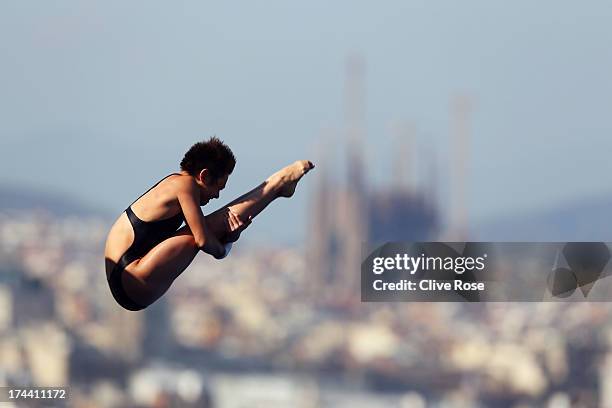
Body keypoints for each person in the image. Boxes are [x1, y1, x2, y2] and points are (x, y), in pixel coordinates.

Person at [104, 137, 314, 311]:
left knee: (211, 226)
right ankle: (277, 185)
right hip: (130, 279)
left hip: (131, 278)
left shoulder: (175, 183)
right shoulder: (184, 184)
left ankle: (277, 187)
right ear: (204, 175)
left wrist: (228, 238)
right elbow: (203, 240)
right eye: (218, 187)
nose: (217, 195)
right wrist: (224, 249)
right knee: (214, 224)